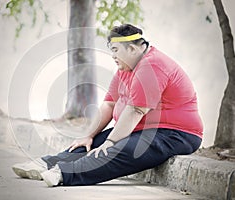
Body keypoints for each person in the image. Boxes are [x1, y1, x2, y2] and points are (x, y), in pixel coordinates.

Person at [12, 24, 203, 187]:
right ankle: (46, 164)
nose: (112, 55)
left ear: (133, 48)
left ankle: (64, 174)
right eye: (111, 49)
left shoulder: (152, 66)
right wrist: (89, 135)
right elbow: (109, 105)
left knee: (117, 149)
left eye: (115, 50)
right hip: (143, 129)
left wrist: (110, 143)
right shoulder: (125, 68)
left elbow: (136, 110)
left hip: (176, 134)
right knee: (91, 143)